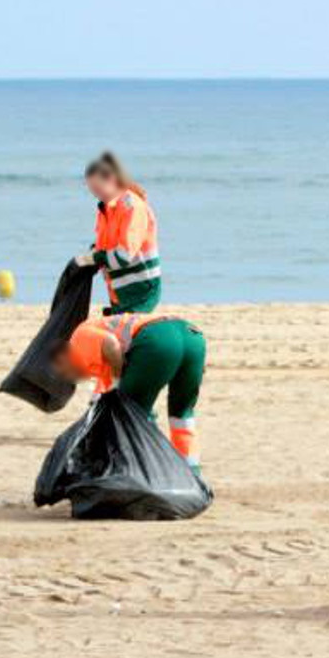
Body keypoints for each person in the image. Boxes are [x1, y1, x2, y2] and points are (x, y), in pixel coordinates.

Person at [52, 312, 205, 469]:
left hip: (159, 340)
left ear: (63, 356)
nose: (70, 379)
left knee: (132, 413)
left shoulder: (78, 339)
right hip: (192, 336)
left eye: (63, 372)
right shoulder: (97, 359)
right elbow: (105, 393)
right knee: (182, 415)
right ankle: (191, 472)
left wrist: (118, 380)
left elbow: (111, 345)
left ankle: (148, 472)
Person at [73, 152, 162, 315]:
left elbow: (124, 255)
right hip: (120, 291)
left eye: (98, 189)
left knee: (125, 335)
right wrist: (93, 253)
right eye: (92, 191)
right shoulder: (105, 209)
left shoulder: (132, 207)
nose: (96, 194)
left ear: (112, 180)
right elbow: (104, 245)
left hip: (141, 289)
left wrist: (94, 258)